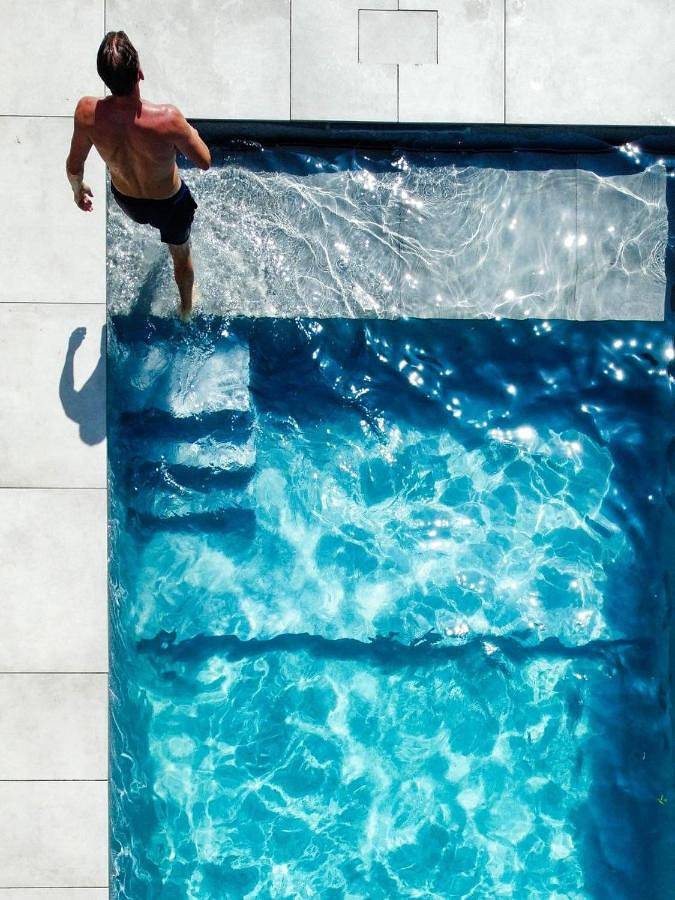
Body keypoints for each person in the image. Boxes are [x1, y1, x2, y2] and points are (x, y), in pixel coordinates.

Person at [66, 31, 211, 319]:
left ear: (104, 79)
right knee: (181, 258)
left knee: (154, 225)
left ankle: (184, 304)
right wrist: (186, 131)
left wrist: (78, 189)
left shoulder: (86, 113)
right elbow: (204, 160)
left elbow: (74, 165)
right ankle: (185, 309)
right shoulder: (167, 119)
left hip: (128, 201)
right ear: (140, 74)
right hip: (170, 205)